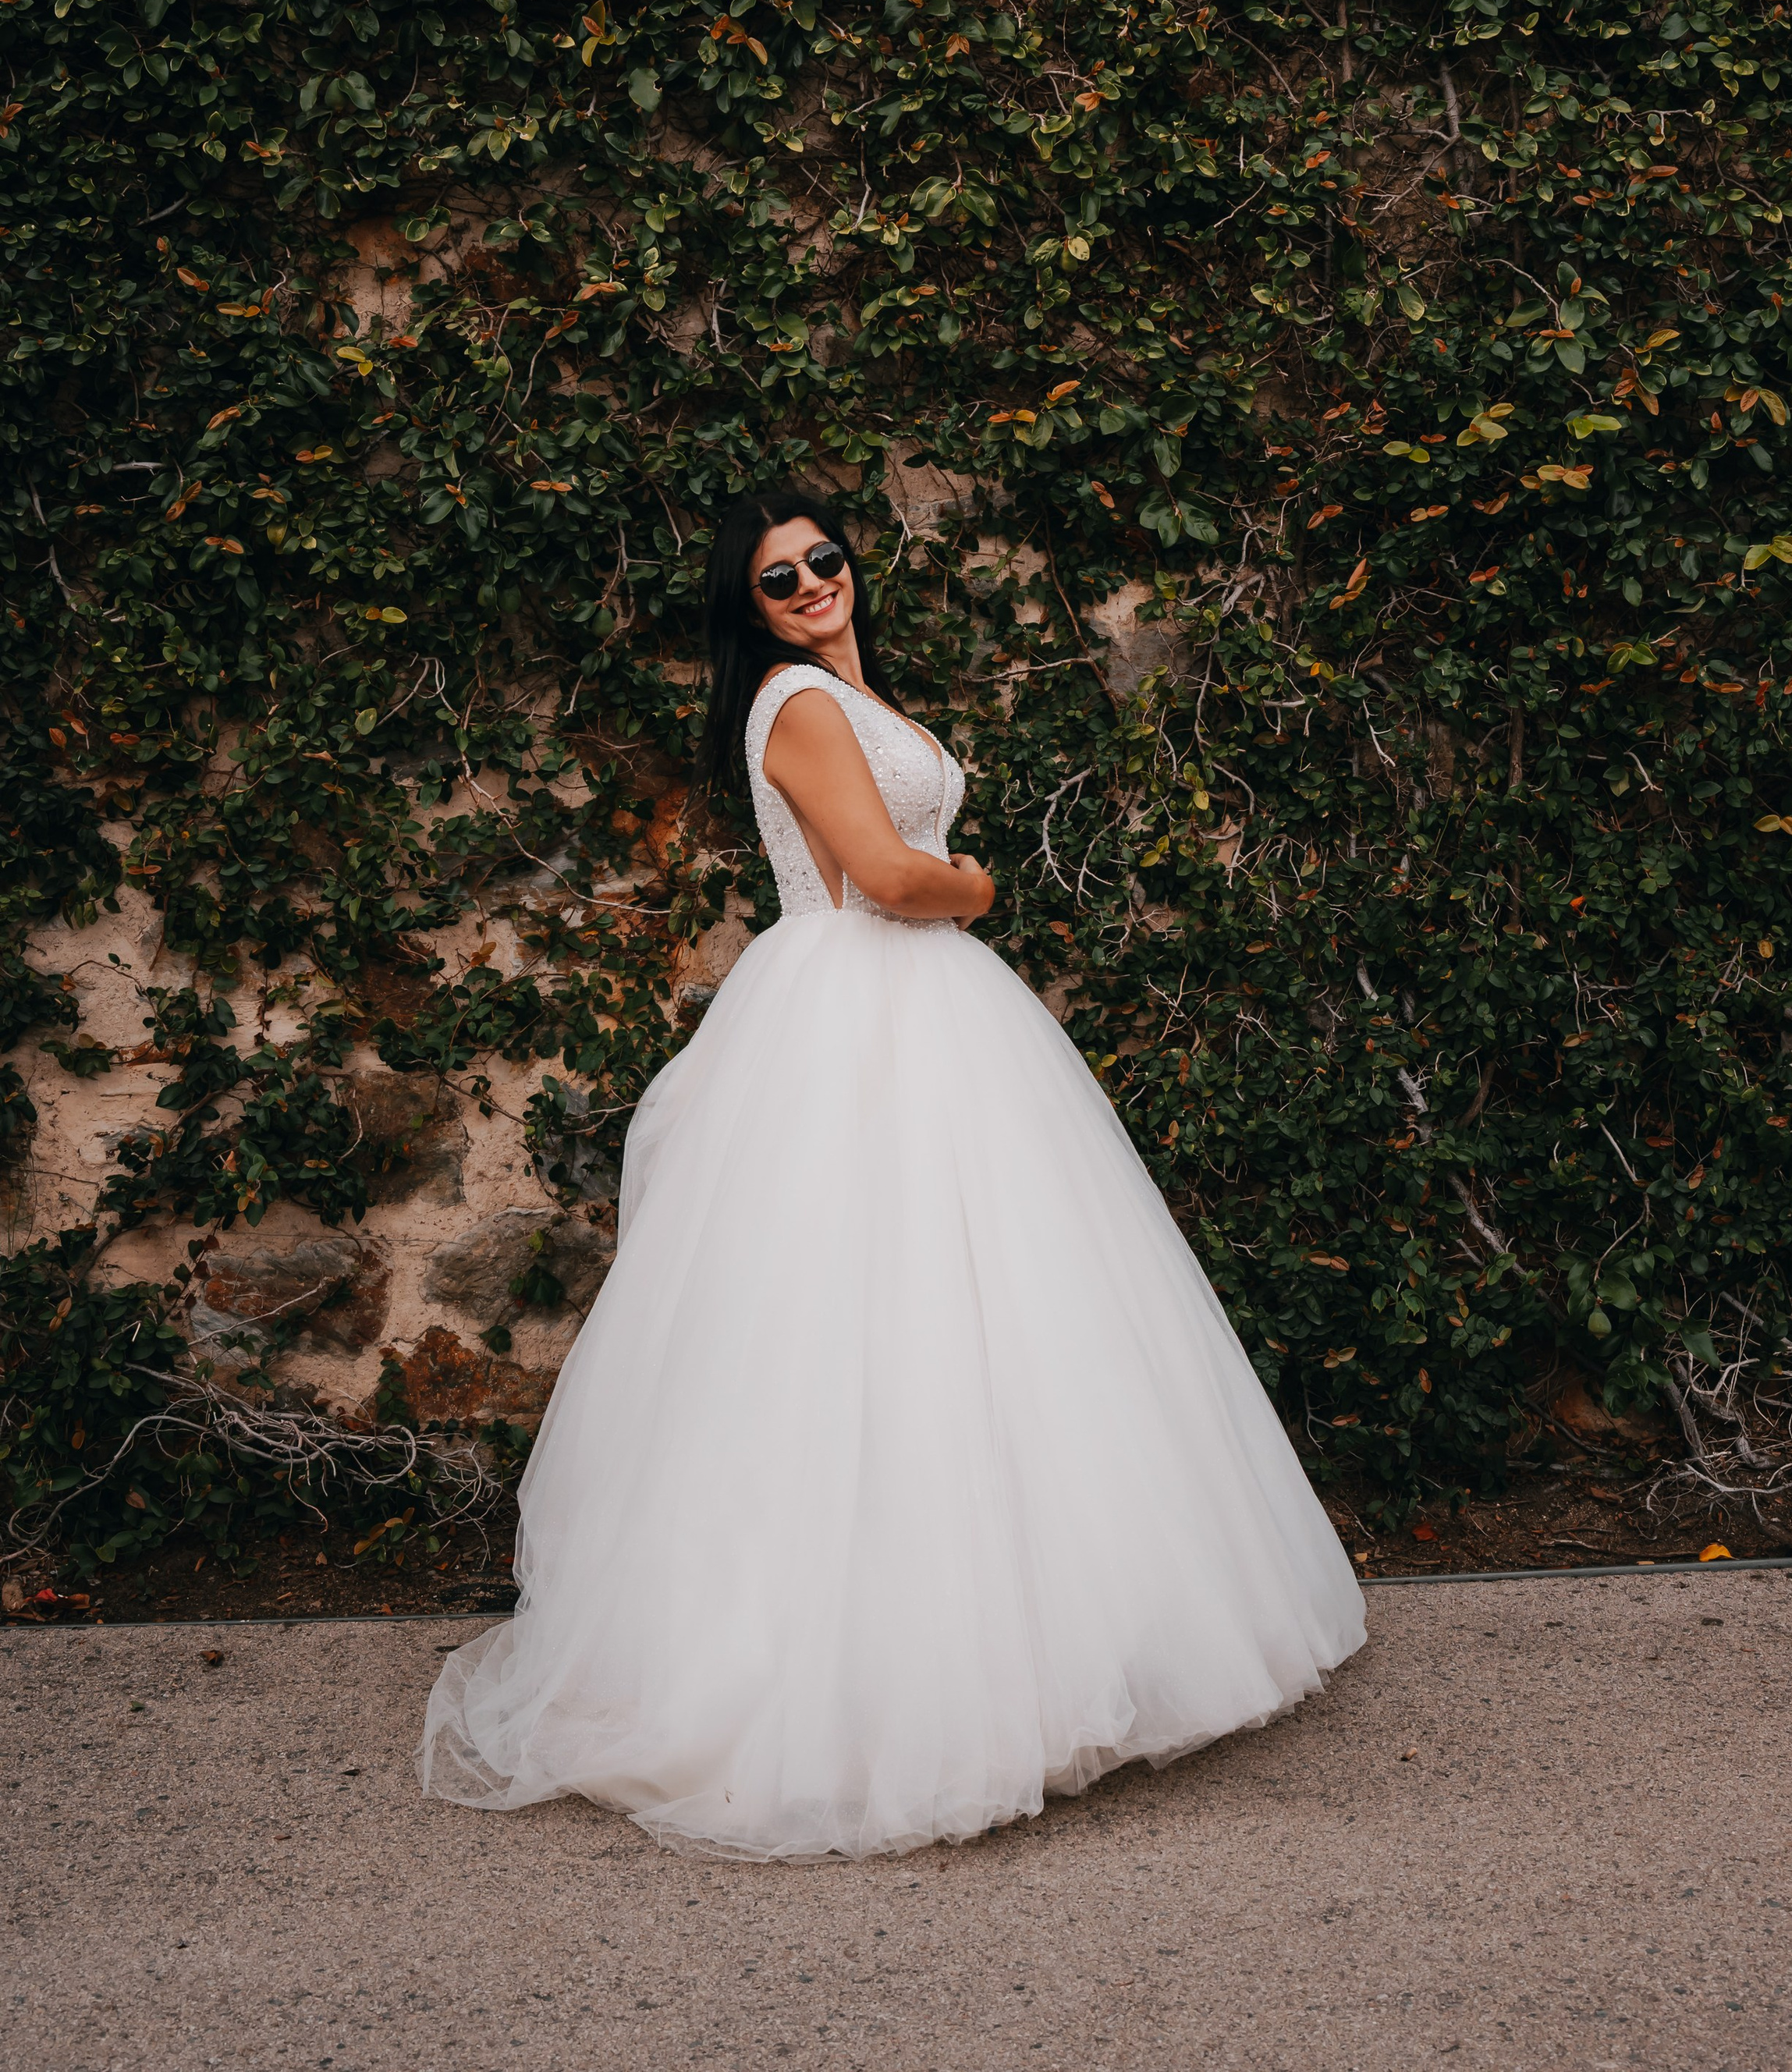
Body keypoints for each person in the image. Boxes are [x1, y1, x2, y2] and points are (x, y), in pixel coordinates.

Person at [420, 482, 1365, 1859]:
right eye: (777, 580)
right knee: (873, 1321)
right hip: (862, 1004)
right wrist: (978, 884)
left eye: (822, 561)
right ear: (747, 612)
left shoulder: (846, 694)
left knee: (981, 1319)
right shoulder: (798, 706)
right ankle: (874, 1683)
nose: (810, 585)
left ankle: (1029, 1649)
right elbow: (882, 874)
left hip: (916, 1009)